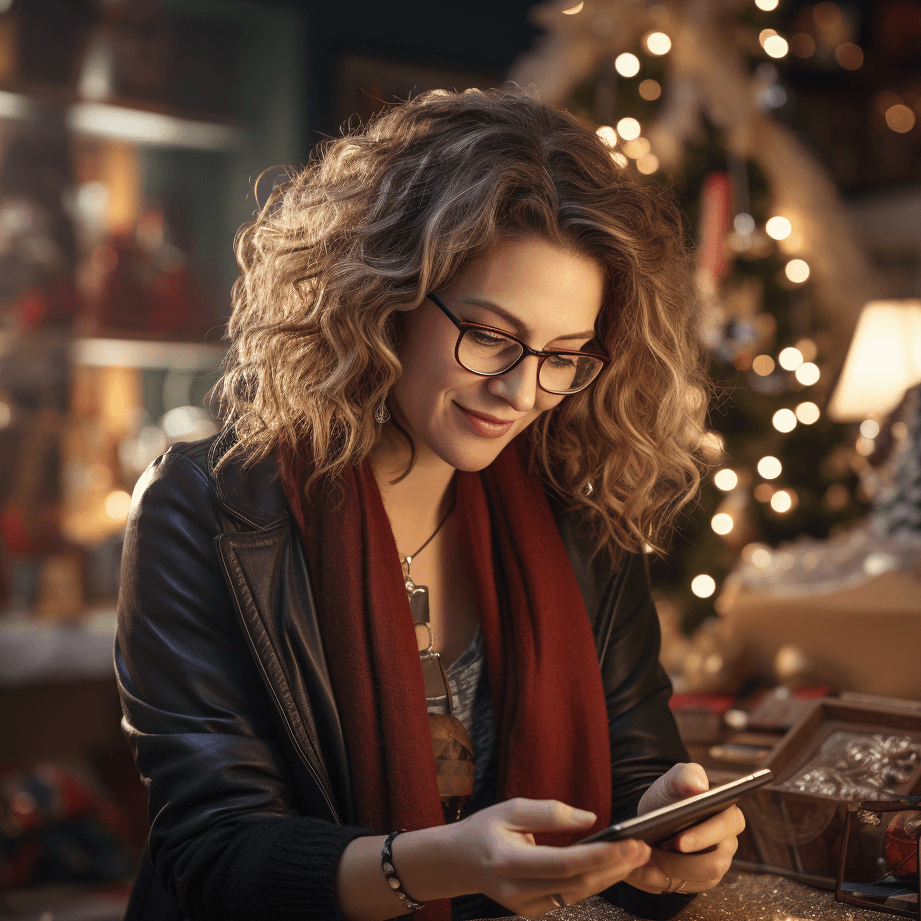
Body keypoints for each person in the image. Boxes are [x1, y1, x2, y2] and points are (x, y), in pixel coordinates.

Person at [115, 88, 745, 921]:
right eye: (489, 336)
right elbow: (213, 853)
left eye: (563, 355)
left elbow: (626, 788)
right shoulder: (207, 507)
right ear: (386, 296)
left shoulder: (580, 519)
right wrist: (431, 865)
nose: (522, 391)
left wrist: (665, 836)